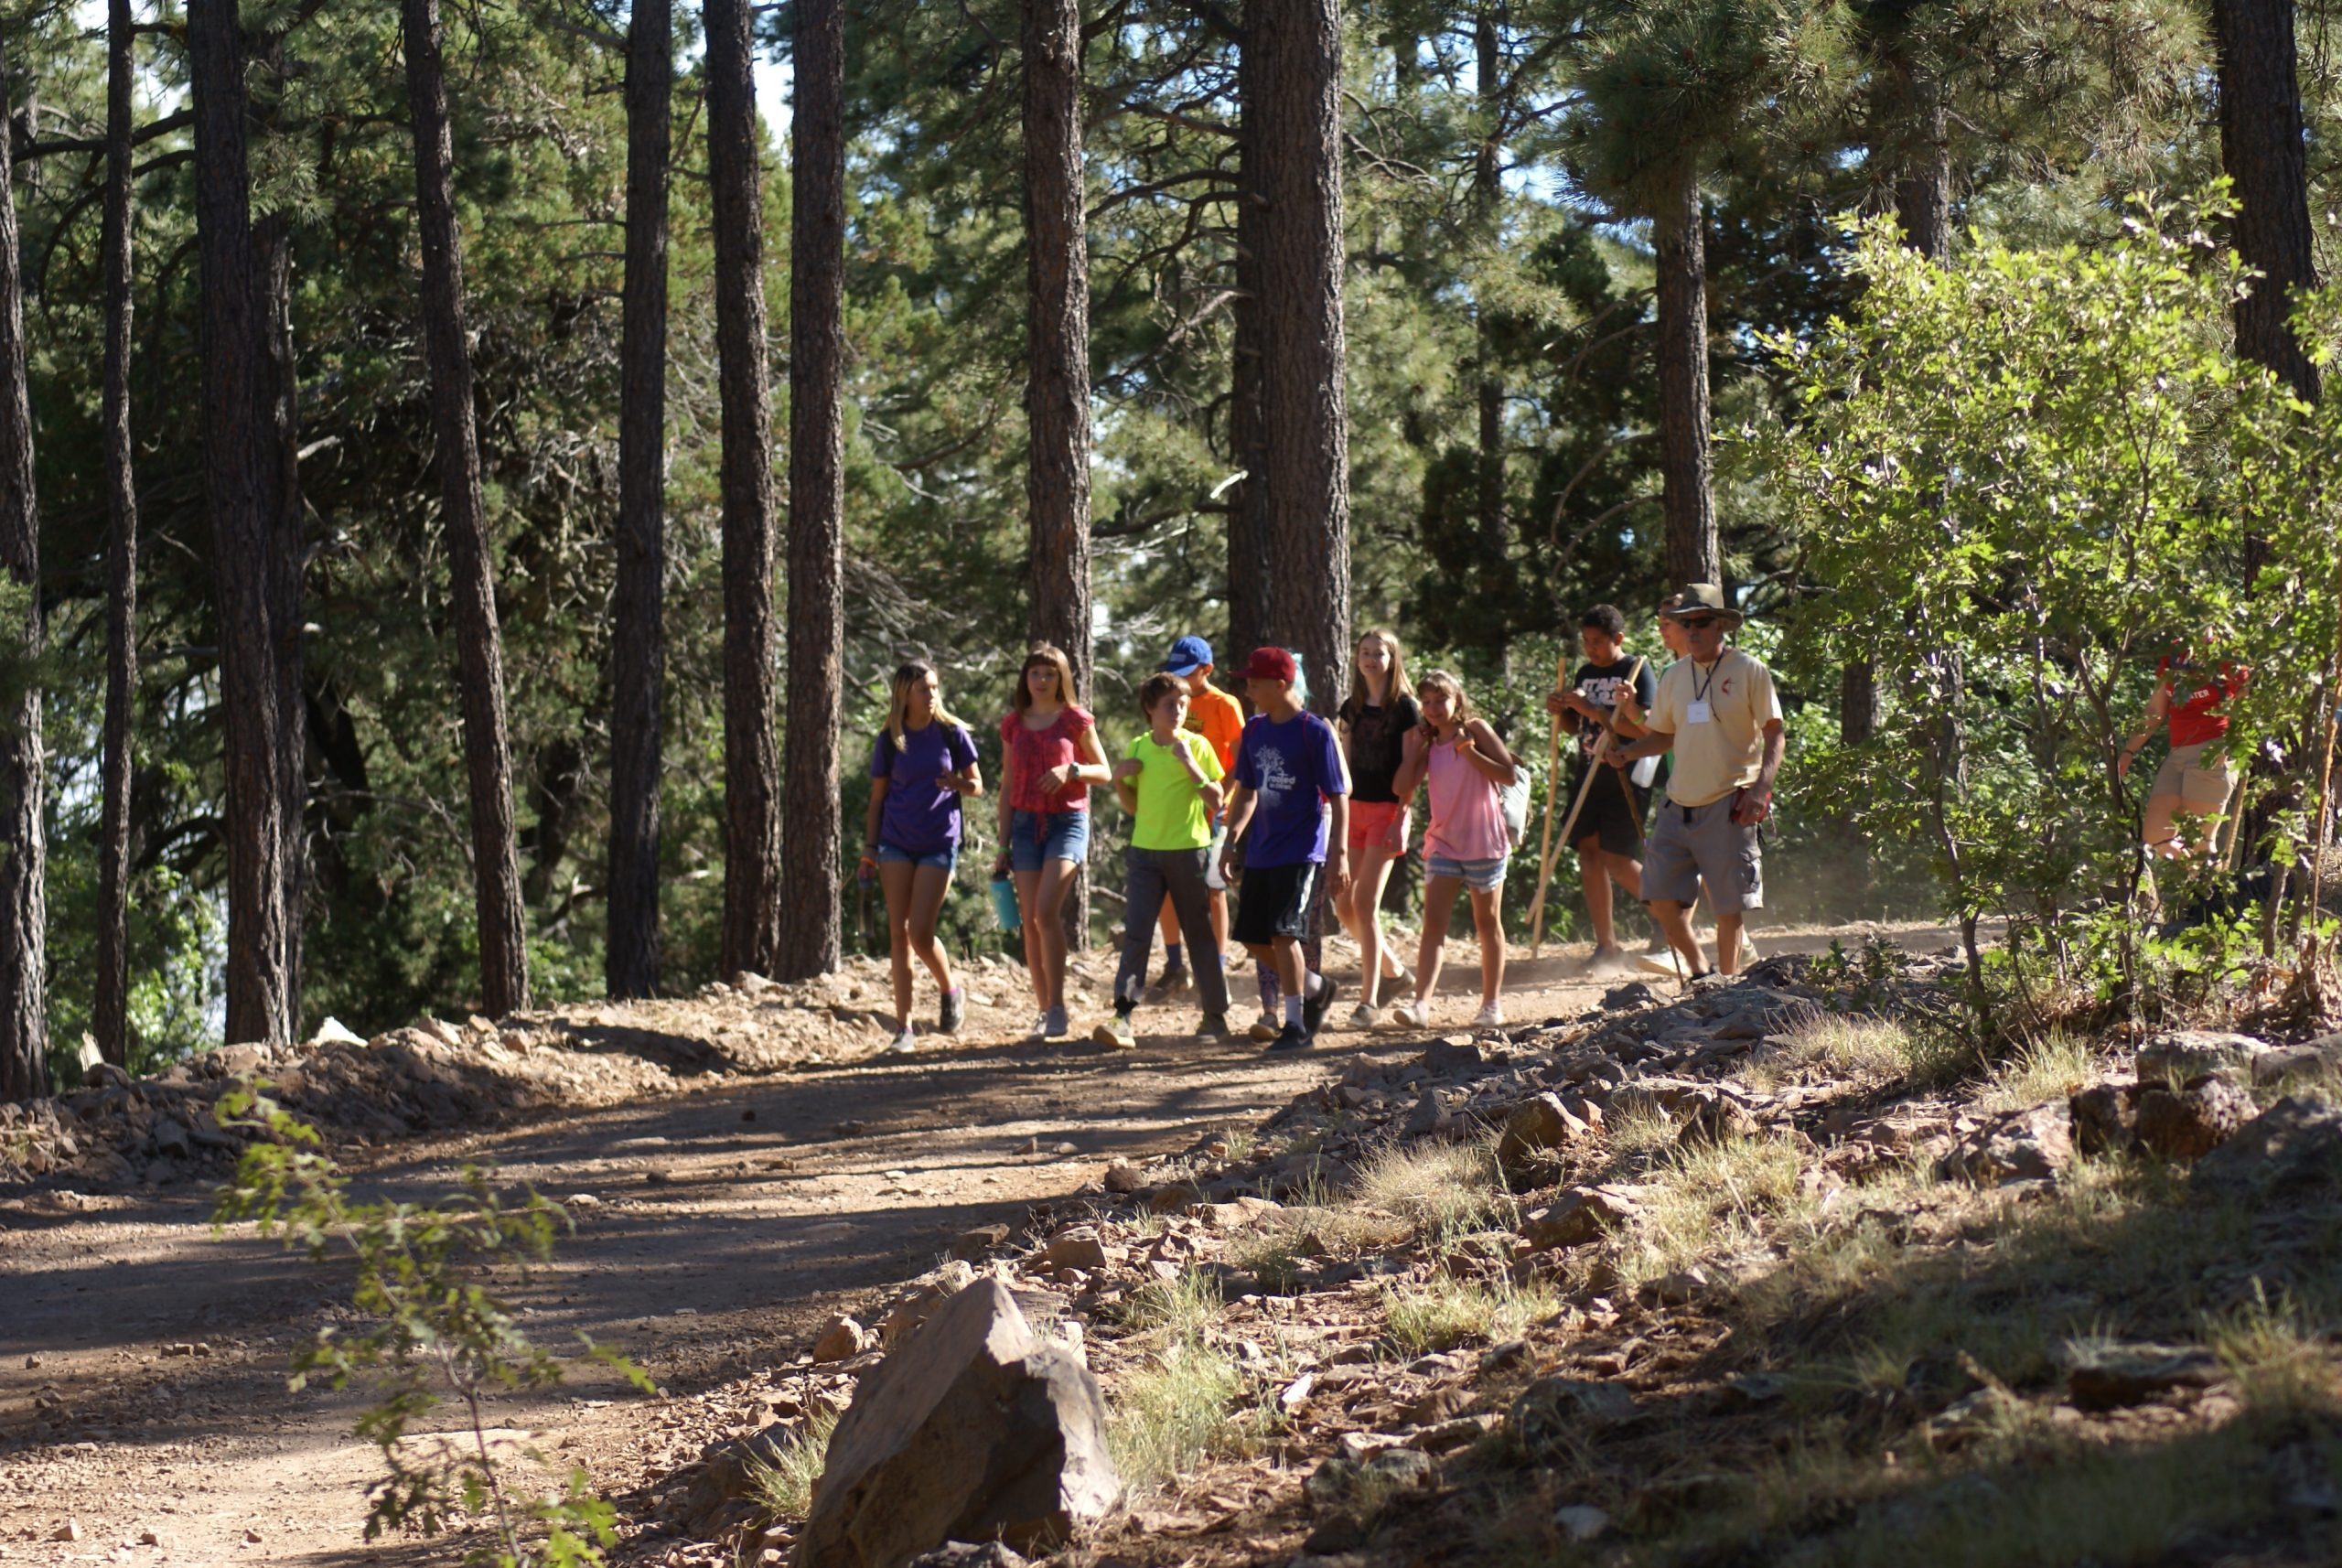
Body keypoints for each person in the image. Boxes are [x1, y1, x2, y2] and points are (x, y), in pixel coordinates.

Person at [1607, 584, 1783, 981]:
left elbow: (1775, 732)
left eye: (1700, 622)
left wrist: (1760, 788)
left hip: (1728, 802)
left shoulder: (1749, 670)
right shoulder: (1673, 676)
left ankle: (1726, 987)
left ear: (1721, 625)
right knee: (1659, 898)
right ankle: (1702, 975)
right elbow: (1664, 735)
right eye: (1684, 623)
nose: (1691, 631)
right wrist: (1628, 752)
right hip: (1676, 805)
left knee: (1727, 907)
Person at [1216, 647, 1351, 1052]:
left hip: (1301, 849)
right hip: (1261, 850)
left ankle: (1294, 1025)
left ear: (1280, 684)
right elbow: (1247, 793)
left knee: (1282, 934)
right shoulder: (1255, 731)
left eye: (1254, 682)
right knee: (1252, 937)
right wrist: (1229, 842)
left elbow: (1338, 796)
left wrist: (1338, 854)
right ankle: (1315, 986)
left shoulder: (1314, 731)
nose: (1248, 688)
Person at [1097, 674, 1235, 1048]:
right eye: (1170, 705)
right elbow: (1134, 807)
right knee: (1137, 934)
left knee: (1199, 935)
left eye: (1183, 704)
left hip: (1189, 851)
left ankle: (1215, 1016)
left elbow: (1216, 801)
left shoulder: (1198, 745)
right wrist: (1120, 781)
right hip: (1144, 852)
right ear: (1150, 709)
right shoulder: (1138, 747)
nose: (1178, 711)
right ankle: (1122, 1016)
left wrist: (1191, 764)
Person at [857, 660, 984, 1055]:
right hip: (895, 842)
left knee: (920, 932)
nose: (931, 696)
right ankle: (905, 1028)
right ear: (904, 695)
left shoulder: (952, 733)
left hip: (938, 841)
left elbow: (977, 786)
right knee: (899, 933)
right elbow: (877, 798)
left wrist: (958, 784)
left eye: (933, 688)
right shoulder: (890, 741)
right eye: (922, 690)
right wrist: (868, 849)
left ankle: (950, 989)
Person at [1389, 670, 1519, 1029]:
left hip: (1484, 842)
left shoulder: (1475, 729)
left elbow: (1507, 774)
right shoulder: (1427, 743)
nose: (1433, 708)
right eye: (1426, 702)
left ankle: (1491, 1004)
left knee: (1486, 922)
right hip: (1444, 842)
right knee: (1433, 925)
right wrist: (1415, 748)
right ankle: (1420, 1006)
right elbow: (1402, 787)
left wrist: (1467, 750)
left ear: (1456, 699)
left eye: (1440, 700)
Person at [994, 642, 1112, 1039]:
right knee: (1030, 923)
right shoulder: (1013, 724)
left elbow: (1105, 771)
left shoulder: (1075, 719)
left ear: (1061, 679)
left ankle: (1058, 1007)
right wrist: (1001, 844)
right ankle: (1044, 1010)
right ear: (1025, 678)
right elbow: (1007, 783)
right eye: (1035, 673)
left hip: (1068, 822)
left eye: (1049, 674)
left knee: (1046, 913)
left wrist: (1072, 770)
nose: (1042, 680)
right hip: (1025, 825)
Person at [1545, 605, 1657, 979]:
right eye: (1586, 642)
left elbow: (1645, 730)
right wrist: (1562, 709)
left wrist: (1592, 710)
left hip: (1625, 773)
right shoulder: (1585, 672)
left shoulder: (1636, 670)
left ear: (1618, 639)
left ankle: (1669, 916)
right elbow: (1572, 728)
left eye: (1597, 642)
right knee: (1589, 855)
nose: (1590, 649)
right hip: (1587, 775)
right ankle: (1606, 944)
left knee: (1618, 857)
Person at [1146, 636, 1244, 997]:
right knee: (1168, 887)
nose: (1181, 679)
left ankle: (1215, 969)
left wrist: (1222, 799)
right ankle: (1175, 965)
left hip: (1217, 810)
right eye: (1175, 672)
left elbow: (1240, 759)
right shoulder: (1171, 699)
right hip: (1178, 811)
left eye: (1188, 673)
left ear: (1208, 670)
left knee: (1213, 889)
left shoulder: (1225, 704)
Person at [1334, 629, 1420, 1027]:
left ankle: (1367, 1001)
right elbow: (1344, 770)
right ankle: (1395, 972)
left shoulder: (1406, 709)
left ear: (1392, 658)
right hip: (1354, 810)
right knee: (1344, 906)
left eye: (1378, 653)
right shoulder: (1349, 708)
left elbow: (1411, 767)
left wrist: (1404, 814)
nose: (1370, 659)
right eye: (1364, 652)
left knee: (1365, 905)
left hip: (1386, 810)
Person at [2120, 642, 2245, 860]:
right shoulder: (2175, 655)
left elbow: (2246, 711)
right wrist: (2128, 752)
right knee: (2156, 838)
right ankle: (2195, 880)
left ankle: (2209, 889)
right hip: (2178, 752)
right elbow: (2154, 711)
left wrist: (2226, 751)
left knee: (2199, 844)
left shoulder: (2229, 655)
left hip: (2212, 751)